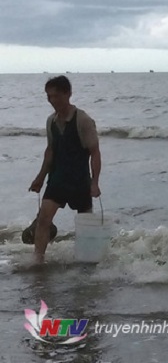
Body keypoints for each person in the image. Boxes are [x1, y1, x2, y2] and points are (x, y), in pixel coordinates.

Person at [28, 75, 101, 263]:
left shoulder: (83, 120)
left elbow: (95, 152)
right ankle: (38, 260)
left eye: (56, 96)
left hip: (79, 182)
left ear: (68, 94)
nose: (52, 101)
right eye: (49, 96)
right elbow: (50, 151)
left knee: (86, 228)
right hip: (57, 180)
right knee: (43, 219)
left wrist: (95, 183)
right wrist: (40, 178)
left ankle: (88, 261)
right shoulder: (50, 121)